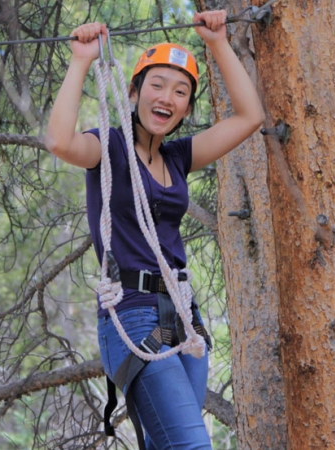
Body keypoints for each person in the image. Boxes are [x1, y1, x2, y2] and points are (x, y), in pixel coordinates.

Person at [44, 10, 264, 449]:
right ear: (134, 92)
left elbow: (249, 116)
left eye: (181, 91)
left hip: (182, 316)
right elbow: (60, 143)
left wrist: (217, 42)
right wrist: (80, 61)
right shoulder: (110, 148)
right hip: (132, 313)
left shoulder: (179, 158)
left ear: (186, 107)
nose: (167, 97)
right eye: (157, 85)